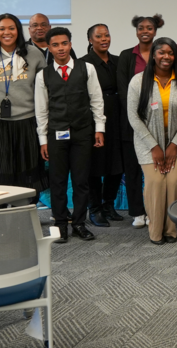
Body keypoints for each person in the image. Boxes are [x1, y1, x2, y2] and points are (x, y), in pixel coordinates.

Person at [35, 27, 105, 243]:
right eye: (55, 45)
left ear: (70, 44)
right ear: (49, 47)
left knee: (81, 180)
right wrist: (43, 140)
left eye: (64, 43)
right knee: (57, 181)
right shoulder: (42, 75)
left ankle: (79, 223)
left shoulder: (88, 69)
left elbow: (96, 100)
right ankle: (60, 224)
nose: (60, 48)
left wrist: (99, 128)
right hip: (56, 135)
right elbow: (41, 110)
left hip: (83, 133)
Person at [126, 37, 177, 245]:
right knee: (156, 182)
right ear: (153, 55)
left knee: (174, 182)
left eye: (170, 52)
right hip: (147, 143)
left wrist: (174, 144)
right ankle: (155, 231)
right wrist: (155, 147)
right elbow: (133, 117)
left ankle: (171, 229)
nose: (166, 56)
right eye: (161, 52)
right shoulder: (138, 81)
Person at [0, 13, 48, 196]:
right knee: (0, 175)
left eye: (11, 28)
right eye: (2, 28)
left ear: (19, 31)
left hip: (28, 122)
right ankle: (1, 213)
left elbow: (44, 92)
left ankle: (27, 214)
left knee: (29, 175)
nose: (7, 32)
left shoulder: (34, 54)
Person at [117, 14, 162, 228]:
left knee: (156, 170)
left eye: (149, 28)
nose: (145, 31)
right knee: (133, 169)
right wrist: (137, 114)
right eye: (141, 28)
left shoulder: (162, 53)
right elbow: (123, 89)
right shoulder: (127, 56)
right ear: (136, 31)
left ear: (156, 30)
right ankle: (137, 212)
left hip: (159, 122)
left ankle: (156, 210)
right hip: (131, 122)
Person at [79, 24, 124, 226]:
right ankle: (95, 209)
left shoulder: (118, 61)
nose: (104, 39)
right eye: (99, 36)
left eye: (106, 35)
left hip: (118, 117)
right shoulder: (83, 64)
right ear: (90, 40)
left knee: (116, 165)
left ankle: (109, 205)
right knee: (95, 167)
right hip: (93, 120)